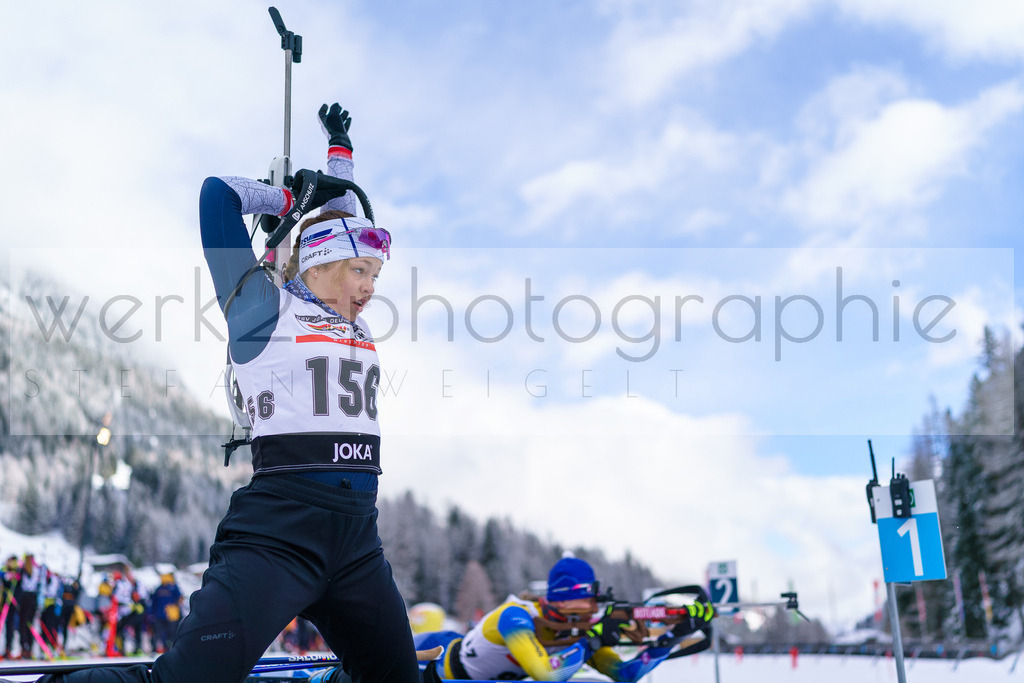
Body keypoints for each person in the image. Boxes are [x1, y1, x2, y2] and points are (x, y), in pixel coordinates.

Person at [37, 103, 418, 683]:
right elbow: (217, 197)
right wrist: (287, 200)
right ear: (316, 265)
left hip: (358, 539)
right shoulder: (262, 310)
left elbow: (335, 216)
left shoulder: (352, 321)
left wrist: (338, 154)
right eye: (359, 271)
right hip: (280, 533)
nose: (369, 288)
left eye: (375, 275)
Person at [413, 557, 715, 682]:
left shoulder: (576, 630)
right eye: (588, 597)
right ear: (565, 596)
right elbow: (546, 673)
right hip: (434, 663)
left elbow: (625, 674)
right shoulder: (515, 616)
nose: (593, 605)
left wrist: (668, 641)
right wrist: (593, 640)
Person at [148, 572, 183, 654]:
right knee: (170, 634)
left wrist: (152, 613)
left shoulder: (159, 588)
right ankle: (170, 649)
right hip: (170, 615)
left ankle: (162, 648)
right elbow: (180, 599)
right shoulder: (173, 587)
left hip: (160, 614)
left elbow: (153, 601)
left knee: (161, 633)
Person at [1, 555, 19, 659]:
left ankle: (8, 649)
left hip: (12, 602)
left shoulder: (18, 572)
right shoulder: (4, 570)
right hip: (3, 601)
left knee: (10, 626)